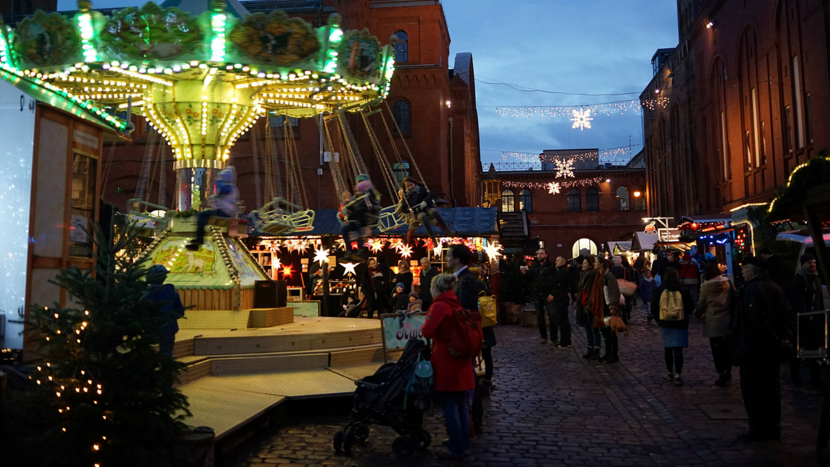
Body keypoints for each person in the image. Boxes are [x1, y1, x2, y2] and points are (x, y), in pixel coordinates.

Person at [730, 256, 792, 441]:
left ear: (753, 270)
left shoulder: (753, 289)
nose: (742, 271)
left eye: (745, 267)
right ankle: (772, 427)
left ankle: (758, 428)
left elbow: (756, 320)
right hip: (769, 350)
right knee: (771, 390)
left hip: (755, 350)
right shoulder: (773, 286)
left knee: (754, 390)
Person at [421, 274, 474, 460]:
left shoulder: (439, 306)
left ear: (436, 288)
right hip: (461, 362)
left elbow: (427, 331)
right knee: (461, 407)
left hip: (446, 360)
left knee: (450, 407)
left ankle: (455, 447)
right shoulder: (455, 302)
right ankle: (464, 445)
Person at [651, 267, 693, 385]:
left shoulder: (660, 290)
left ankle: (669, 372)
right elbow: (690, 306)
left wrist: (658, 319)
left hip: (665, 321)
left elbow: (654, 306)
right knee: (678, 350)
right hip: (680, 322)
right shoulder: (682, 289)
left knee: (668, 348)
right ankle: (678, 375)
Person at [788, 253, 824, 387]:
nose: (813, 265)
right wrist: (803, 315)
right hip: (803, 319)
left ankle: (816, 379)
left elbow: (818, 298)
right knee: (798, 349)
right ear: (803, 265)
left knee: (816, 350)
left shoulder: (816, 279)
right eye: (810, 263)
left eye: (814, 262)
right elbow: (797, 300)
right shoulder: (798, 281)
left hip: (816, 318)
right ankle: (795, 377)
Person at [694, 262, 733, 386]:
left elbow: (702, 304)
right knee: (727, 347)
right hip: (728, 319)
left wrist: (696, 313)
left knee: (716, 349)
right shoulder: (727, 283)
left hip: (713, 321)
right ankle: (728, 370)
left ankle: (721, 373)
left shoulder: (705, 287)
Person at [187, 167, 238, 250]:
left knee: (202, 215)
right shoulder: (231, 188)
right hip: (224, 211)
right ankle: (199, 238)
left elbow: (223, 189)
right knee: (203, 215)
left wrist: (218, 181)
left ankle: (199, 238)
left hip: (223, 212)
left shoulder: (228, 187)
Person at [397, 176, 455, 245]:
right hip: (417, 212)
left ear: (414, 183)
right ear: (405, 188)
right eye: (408, 186)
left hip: (426, 208)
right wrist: (411, 209)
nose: (410, 187)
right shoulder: (406, 196)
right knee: (423, 216)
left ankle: (447, 230)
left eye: (411, 185)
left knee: (434, 211)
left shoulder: (422, 189)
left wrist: (425, 201)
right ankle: (433, 238)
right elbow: (404, 209)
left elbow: (432, 193)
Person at [520, 248, 558, 345]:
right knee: (539, 316)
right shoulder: (534, 266)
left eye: (541, 253)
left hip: (548, 294)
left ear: (546, 255)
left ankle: (554, 337)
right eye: (538, 254)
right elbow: (530, 279)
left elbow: (556, 281)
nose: (539, 255)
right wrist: (525, 274)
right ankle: (543, 337)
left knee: (552, 316)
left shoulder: (551, 266)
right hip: (537, 294)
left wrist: (552, 293)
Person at [146, 265, 185, 358]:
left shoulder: (145, 293)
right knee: (167, 352)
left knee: (146, 354)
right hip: (169, 328)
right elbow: (180, 312)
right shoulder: (172, 293)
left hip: (149, 328)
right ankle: (166, 371)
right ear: (164, 277)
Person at [341, 175, 382, 262]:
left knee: (358, 226)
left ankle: (361, 251)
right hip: (358, 219)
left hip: (368, 219)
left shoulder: (371, 195)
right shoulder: (355, 197)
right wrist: (347, 207)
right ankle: (349, 251)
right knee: (344, 229)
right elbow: (351, 208)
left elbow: (374, 206)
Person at [591, 258, 622, 363]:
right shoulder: (599, 276)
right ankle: (608, 352)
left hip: (608, 308)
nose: (594, 264)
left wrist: (613, 306)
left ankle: (614, 354)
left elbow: (614, 292)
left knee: (611, 333)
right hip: (601, 309)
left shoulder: (609, 277)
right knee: (604, 332)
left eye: (596, 262)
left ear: (601, 264)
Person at [575, 256, 601, 359]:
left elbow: (592, 292)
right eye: (583, 263)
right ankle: (590, 348)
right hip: (583, 304)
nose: (583, 265)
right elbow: (581, 292)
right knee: (587, 328)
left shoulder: (593, 275)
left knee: (594, 328)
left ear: (591, 265)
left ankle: (596, 349)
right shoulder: (583, 275)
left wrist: (590, 304)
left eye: (585, 263)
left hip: (590, 305)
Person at [550, 255, 572, 349]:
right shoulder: (562, 271)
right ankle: (567, 341)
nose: (555, 262)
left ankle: (564, 342)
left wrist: (554, 291)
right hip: (562, 297)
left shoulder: (562, 272)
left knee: (562, 320)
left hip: (561, 298)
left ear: (563, 262)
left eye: (557, 260)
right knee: (564, 320)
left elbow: (555, 282)